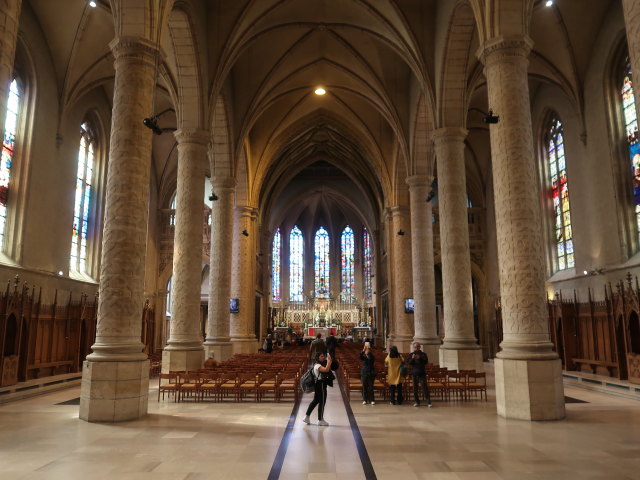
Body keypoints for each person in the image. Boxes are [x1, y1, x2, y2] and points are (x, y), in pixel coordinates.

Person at [303, 352, 333, 426]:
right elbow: (326, 369)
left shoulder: (317, 364)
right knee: (322, 402)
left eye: (323, 356)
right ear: (317, 357)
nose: (323, 357)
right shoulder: (317, 365)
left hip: (319, 384)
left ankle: (306, 417)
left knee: (315, 401)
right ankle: (320, 420)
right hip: (321, 385)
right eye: (321, 356)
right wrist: (329, 362)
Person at [408, 342, 432, 407]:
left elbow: (426, 362)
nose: (416, 348)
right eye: (415, 347)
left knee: (424, 388)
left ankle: (429, 402)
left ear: (420, 347)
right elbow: (409, 363)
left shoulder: (423, 354)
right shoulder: (411, 354)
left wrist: (419, 358)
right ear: (413, 347)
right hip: (414, 374)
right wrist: (412, 358)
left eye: (418, 347)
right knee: (415, 389)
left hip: (422, 373)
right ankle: (417, 402)